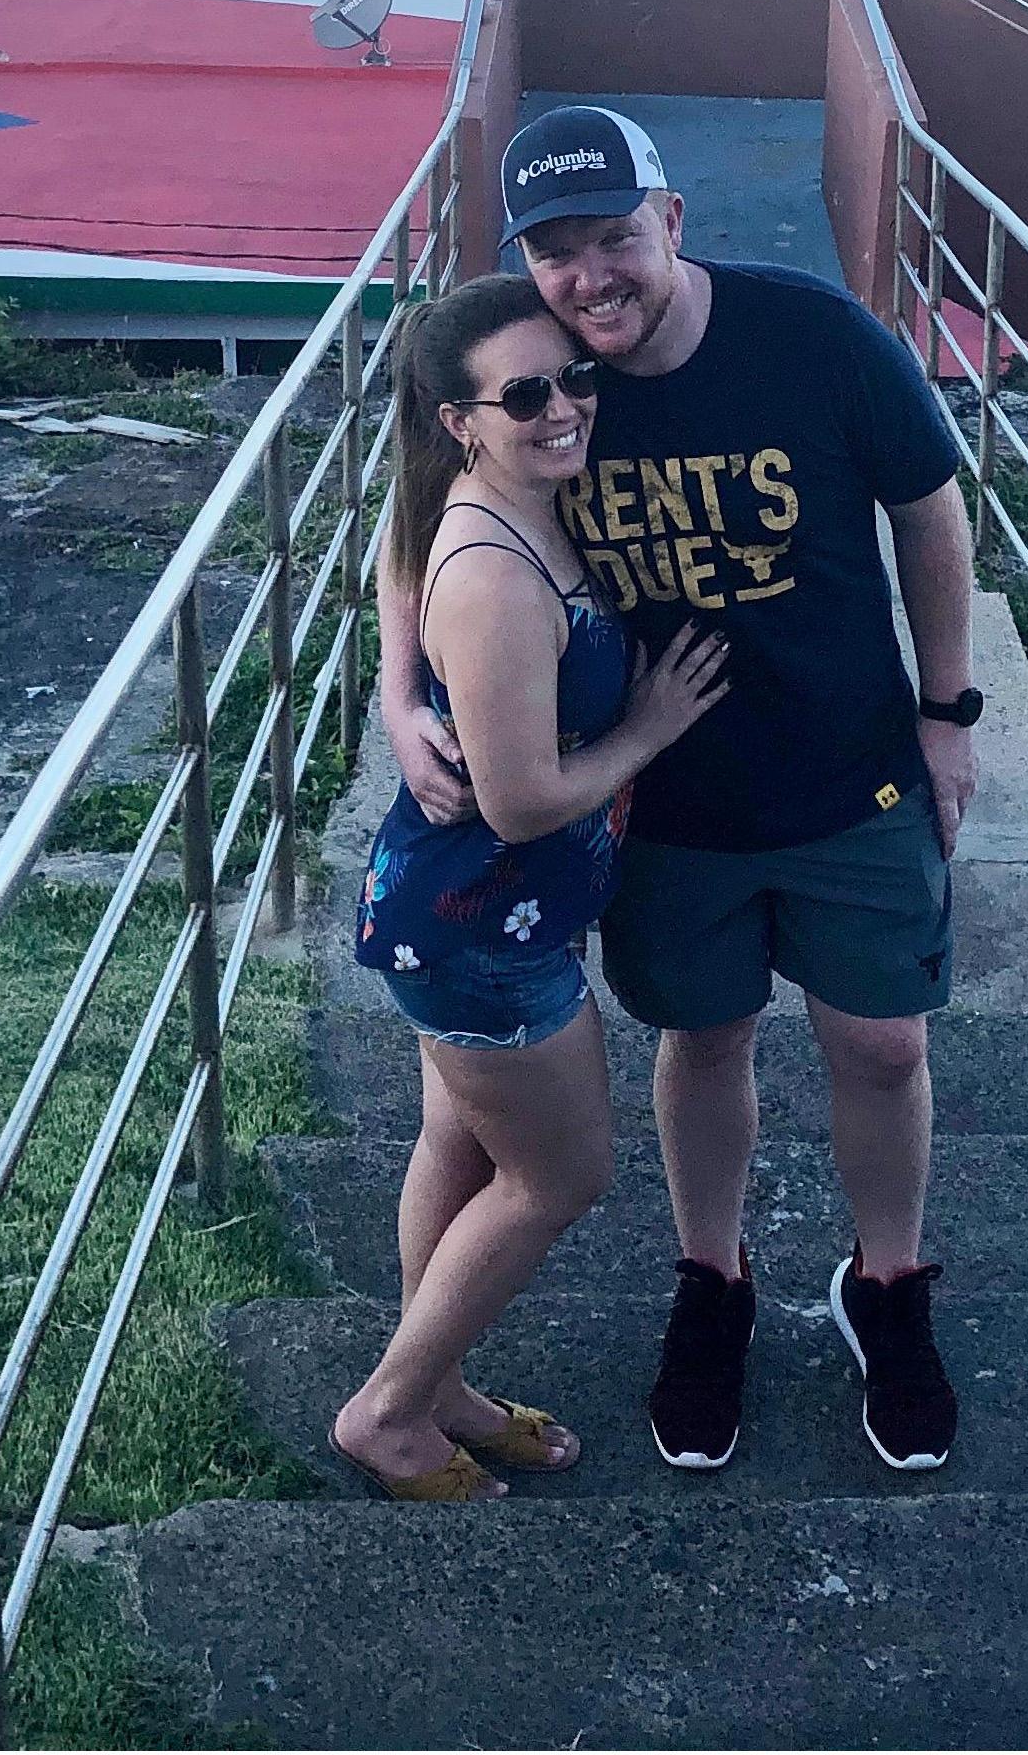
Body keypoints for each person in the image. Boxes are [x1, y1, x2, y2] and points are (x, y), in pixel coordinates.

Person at [378, 106, 984, 1476]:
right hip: (658, 807)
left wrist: (950, 711)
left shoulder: (815, 337)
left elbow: (932, 507)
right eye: (556, 251)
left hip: (851, 775)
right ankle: (712, 1280)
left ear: (675, 225)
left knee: (884, 1045)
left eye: (616, 238)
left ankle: (888, 1287)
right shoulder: (534, 376)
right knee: (703, 1042)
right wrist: (397, 690)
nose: (592, 276)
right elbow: (418, 512)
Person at [335, 272, 729, 1502]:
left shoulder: (500, 495)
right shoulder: (495, 572)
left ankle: (437, 1375)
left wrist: (400, 700)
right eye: (524, 393)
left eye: (572, 377)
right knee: (559, 1177)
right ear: (460, 418)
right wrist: (652, 727)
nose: (562, 406)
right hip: (480, 933)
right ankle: (390, 1413)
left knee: (458, 1143)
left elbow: (401, 558)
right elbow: (517, 799)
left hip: (469, 917)